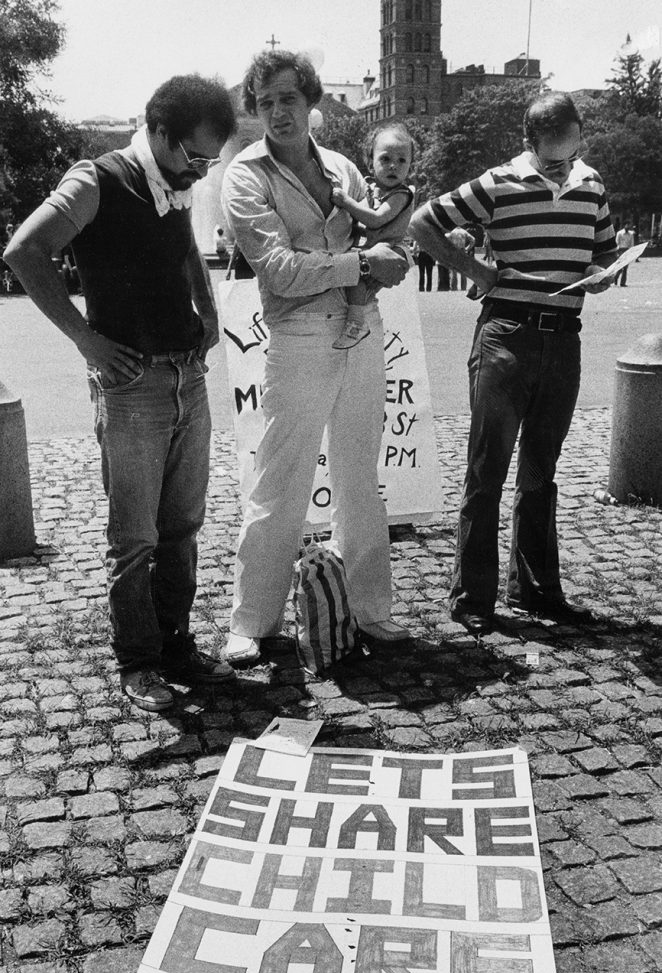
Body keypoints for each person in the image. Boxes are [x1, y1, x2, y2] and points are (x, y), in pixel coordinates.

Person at [4, 74, 238, 712]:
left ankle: (177, 644)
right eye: (194, 156)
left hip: (187, 371)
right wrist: (87, 341)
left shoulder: (177, 182)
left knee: (183, 526)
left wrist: (208, 311)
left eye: (210, 161)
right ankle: (138, 661)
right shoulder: (97, 179)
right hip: (132, 385)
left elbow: (186, 246)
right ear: (157, 132)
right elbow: (25, 251)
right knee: (134, 536)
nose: (201, 171)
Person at [221, 49, 411, 666]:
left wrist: (392, 259)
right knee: (282, 480)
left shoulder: (343, 169)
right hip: (299, 338)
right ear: (256, 109)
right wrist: (362, 265)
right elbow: (276, 270)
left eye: (289, 99)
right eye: (267, 101)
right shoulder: (245, 176)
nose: (278, 112)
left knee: (360, 477)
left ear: (312, 105)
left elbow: (379, 243)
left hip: (361, 330)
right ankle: (253, 619)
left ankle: (370, 610)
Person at [410, 91, 617, 636]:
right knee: (487, 472)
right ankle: (472, 599)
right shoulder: (498, 182)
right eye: (551, 158)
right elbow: (423, 223)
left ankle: (537, 590)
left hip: (564, 340)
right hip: (505, 337)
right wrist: (474, 271)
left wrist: (604, 273)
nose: (562, 165)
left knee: (541, 473)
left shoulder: (592, 185)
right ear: (529, 144)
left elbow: (603, 253)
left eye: (569, 154)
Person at [330, 123, 415, 346]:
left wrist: (346, 202)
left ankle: (357, 322)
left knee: (356, 274)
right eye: (385, 159)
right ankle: (359, 321)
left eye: (402, 161)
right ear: (370, 163)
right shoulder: (372, 190)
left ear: (409, 168)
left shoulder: (401, 195)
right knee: (355, 277)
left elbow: (375, 219)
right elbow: (358, 221)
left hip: (389, 251)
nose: (393, 166)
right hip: (373, 248)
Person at [614, 222, 636, 286]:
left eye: (629, 225)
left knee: (625, 268)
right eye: (627, 225)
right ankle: (616, 277)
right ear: (624, 225)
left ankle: (622, 283)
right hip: (620, 250)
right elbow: (617, 242)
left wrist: (631, 252)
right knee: (620, 267)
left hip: (627, 250)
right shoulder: (619, 233)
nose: (628, 226)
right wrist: (617, 252)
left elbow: (631, 244)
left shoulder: (631, 234)